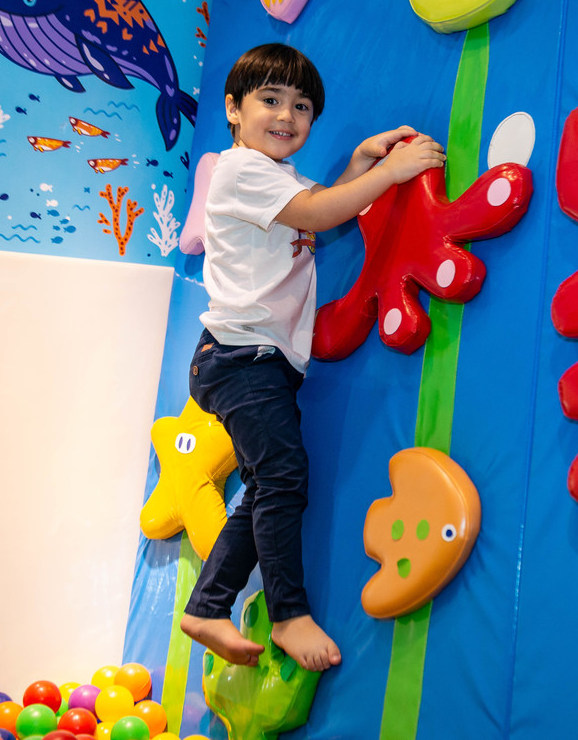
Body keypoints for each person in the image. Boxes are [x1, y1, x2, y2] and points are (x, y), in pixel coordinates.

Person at [179, 43, 446, 672]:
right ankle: (288, 615)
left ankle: (208, 606)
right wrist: (390, 171)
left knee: (272, 485)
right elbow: (322, 211)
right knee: (284, 481)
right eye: (270, 100)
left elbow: (322, 205)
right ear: (233, 111)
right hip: (240, 356)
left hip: (255, 360)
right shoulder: (240, 170)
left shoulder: (280, 178)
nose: (286, 115)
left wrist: (359, 162)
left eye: (302, 107)